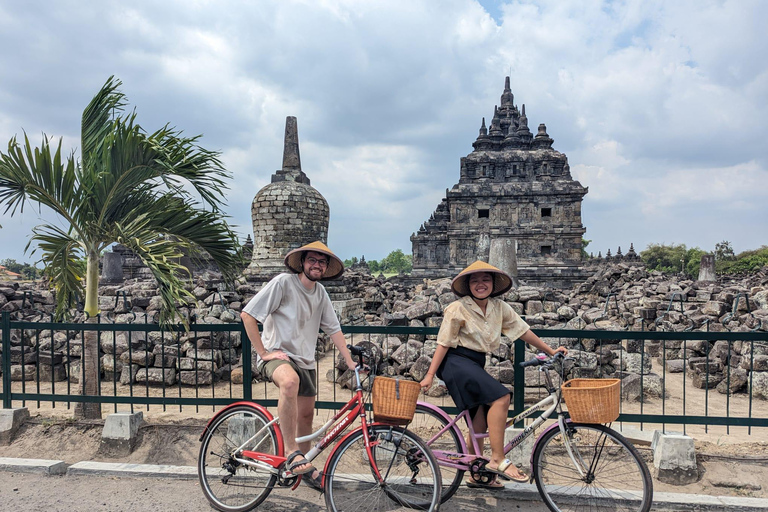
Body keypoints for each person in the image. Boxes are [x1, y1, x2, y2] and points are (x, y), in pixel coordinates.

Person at [419, 261, 567, 488]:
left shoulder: (500, 308)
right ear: (467, 285)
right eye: (475, 280)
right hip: (456, 362)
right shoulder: (457, 308)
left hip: (476, 363)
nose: (480, 284)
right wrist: (430, 374)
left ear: (493, 284)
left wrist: (549, 351)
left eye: (485, 279)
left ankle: (477, 474)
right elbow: (443, 343)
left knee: (480, 422)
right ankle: (498, 458)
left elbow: (522, 331)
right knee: (501, 397)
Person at [241, 241, 357, 490]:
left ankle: (304, 466)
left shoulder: (320, 293)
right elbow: (248, 315)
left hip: (305, 360)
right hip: (279, 357)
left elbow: (333, 328)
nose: (317, 265)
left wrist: (350, 362)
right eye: (312, 260)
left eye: (322, 262)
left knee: (306, 416)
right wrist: (263, 352)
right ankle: (291, 452)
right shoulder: (284, 283)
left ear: (326, 268)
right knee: (290, 382)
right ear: (302, 263)